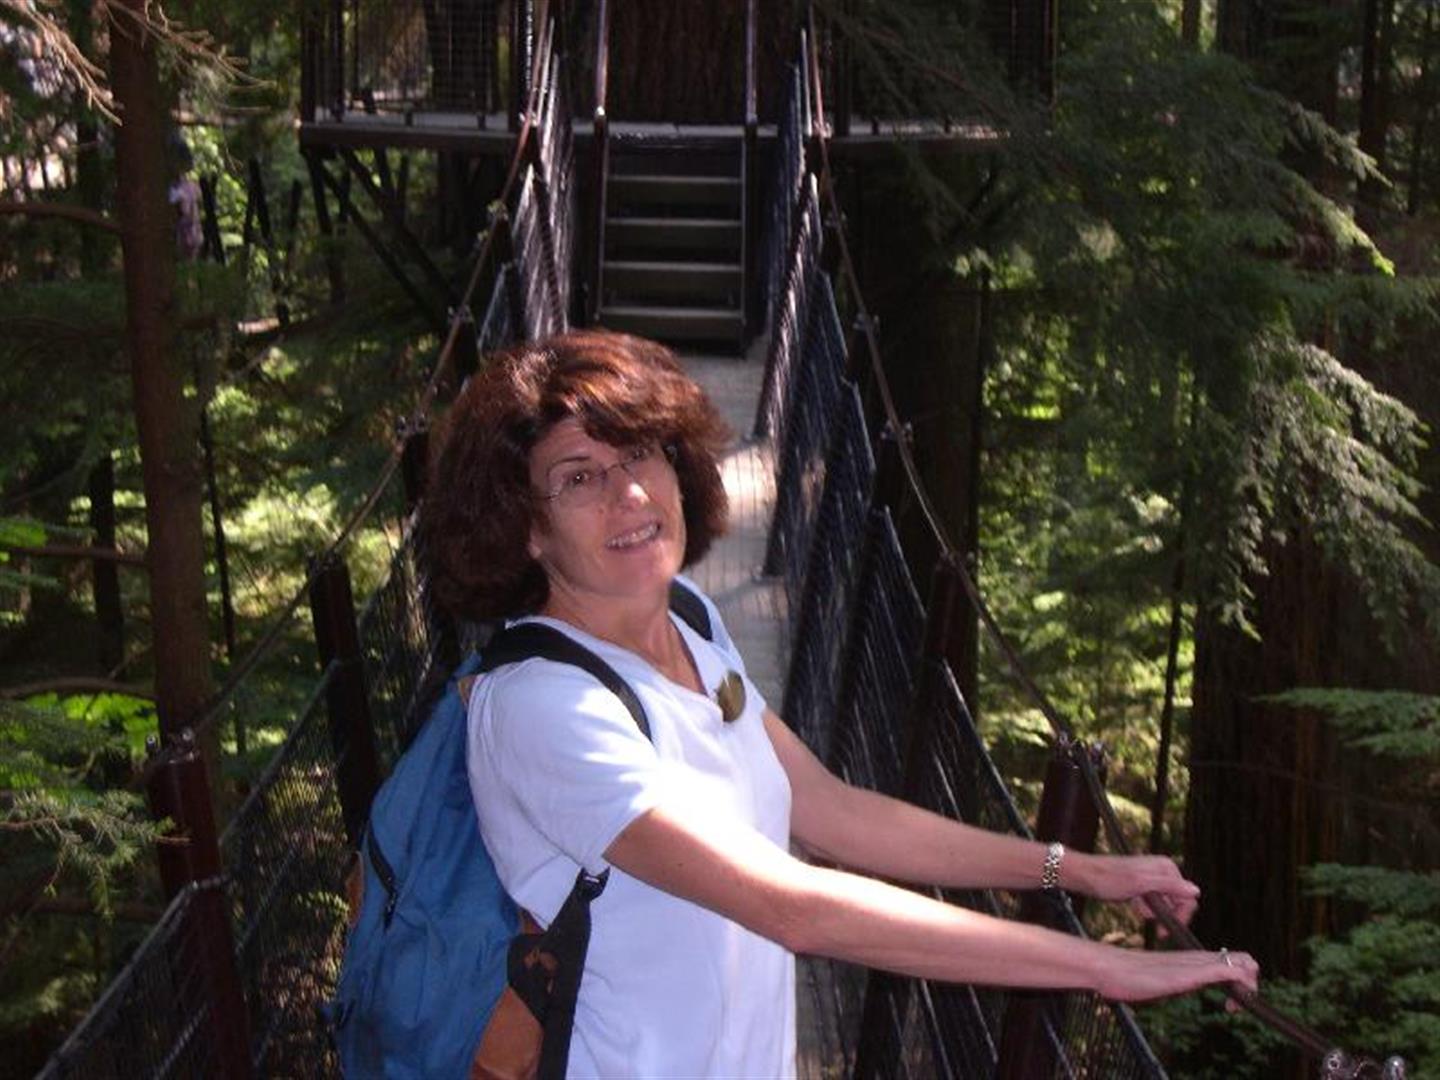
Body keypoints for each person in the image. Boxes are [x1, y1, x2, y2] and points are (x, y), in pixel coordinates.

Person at [419, 329, 1259, 1078]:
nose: (630, 494)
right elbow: (792, 907)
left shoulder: (689, 618)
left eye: (640, 453)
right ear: (526, 528)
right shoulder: (543, 708)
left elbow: (828, 810)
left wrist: (1072, 870)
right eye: (578, 478)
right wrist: (1103, 968)